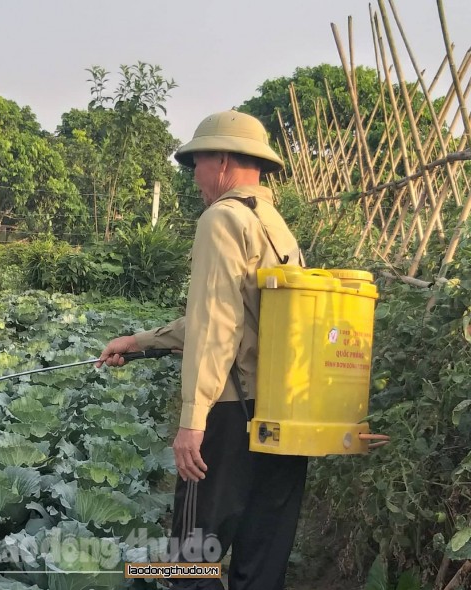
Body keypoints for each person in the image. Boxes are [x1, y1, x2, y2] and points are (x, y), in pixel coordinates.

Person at [97, 110, 386, 590]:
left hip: (229, 411)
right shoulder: (274, 225)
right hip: (283, 412)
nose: (193, 178)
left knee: (191, 560)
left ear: (224, 160)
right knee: (263, 555)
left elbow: (217, 325)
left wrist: (193, 420)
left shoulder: (221, 218)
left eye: (197, 164)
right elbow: (234, 315)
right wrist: (142, 343)